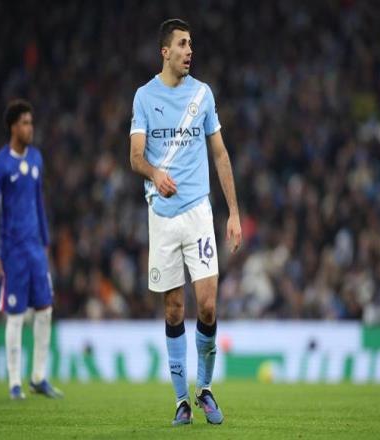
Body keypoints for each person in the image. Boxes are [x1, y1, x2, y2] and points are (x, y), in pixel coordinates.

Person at [130, 19, 242, 425]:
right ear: (165, 52)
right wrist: (154, 173)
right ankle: (181, 401)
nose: (189, 50)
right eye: (182, 44)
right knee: (175, 309)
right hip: (162, 217)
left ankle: (205, 389)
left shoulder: (202, 94)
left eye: (191, 44)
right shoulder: (144, 96)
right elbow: (135, 156)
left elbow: (221, 154)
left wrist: (234, 212)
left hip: (198, 211)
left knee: (207, 305)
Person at [0, 99, 63, 400]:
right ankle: (14, 382)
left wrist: (46, 242)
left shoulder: (37, 159)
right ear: (13, 127)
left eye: (31, 122)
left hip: (35, 250)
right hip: (13, 251)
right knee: (16, 314)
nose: (30, 128)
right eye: (25, 123)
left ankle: (38, 377)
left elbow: (39, 202)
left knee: (45, 310)